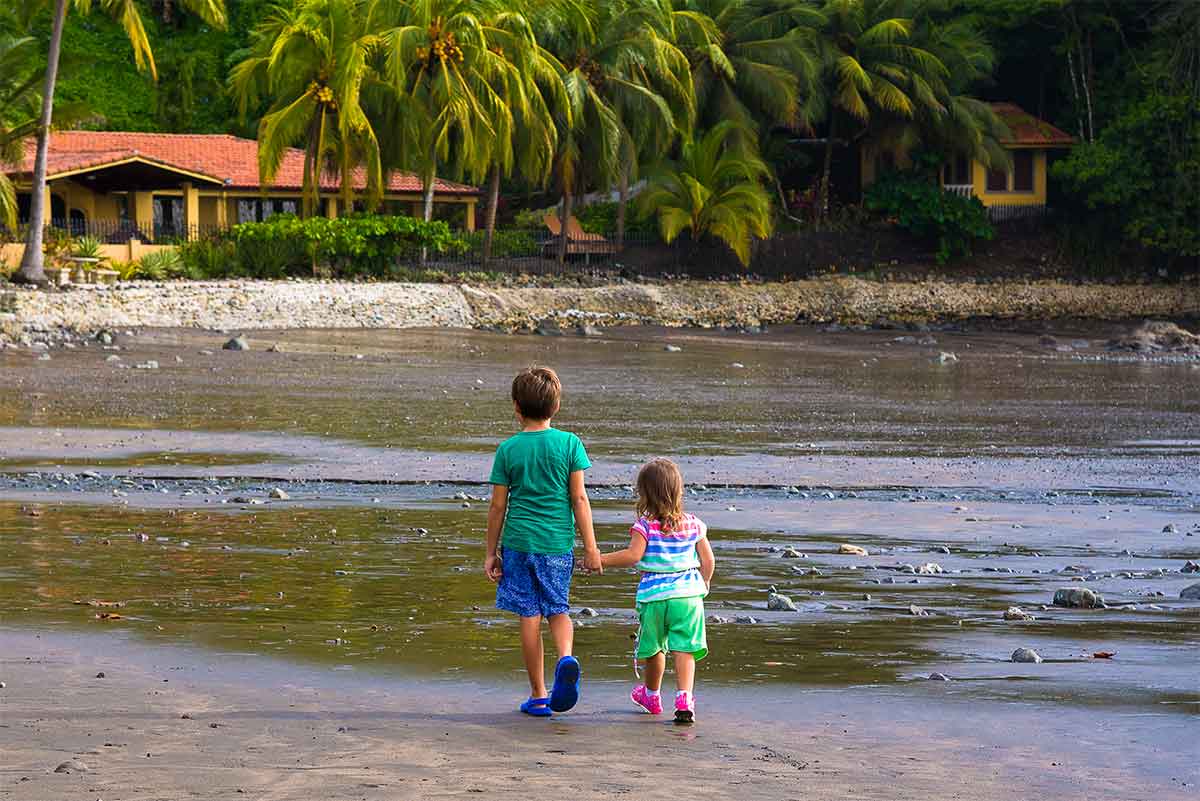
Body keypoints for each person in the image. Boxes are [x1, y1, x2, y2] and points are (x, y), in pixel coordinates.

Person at [485, 366, 602, 717]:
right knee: (558, 608)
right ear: (557, 406)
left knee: (528, 615)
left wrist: (491, 552)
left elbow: (497, 505)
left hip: (519, 542)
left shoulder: (508, 449)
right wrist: (591, 547)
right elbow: (579, 499)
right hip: (556, 542)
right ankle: (566, 657)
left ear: (516, 407)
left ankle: (538, 694)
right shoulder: (570, 444)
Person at [600, 458, 715, 724]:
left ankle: (651, 695)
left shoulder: (645, 526)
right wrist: (704, 583)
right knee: (685, 649)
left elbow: (632, 555)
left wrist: (601, 559)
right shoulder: (694, 524)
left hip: (654, 598)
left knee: (655, 649)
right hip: (688, 597)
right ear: (679, 490)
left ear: (644, 494)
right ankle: (684, 697)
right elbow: (708, 560)